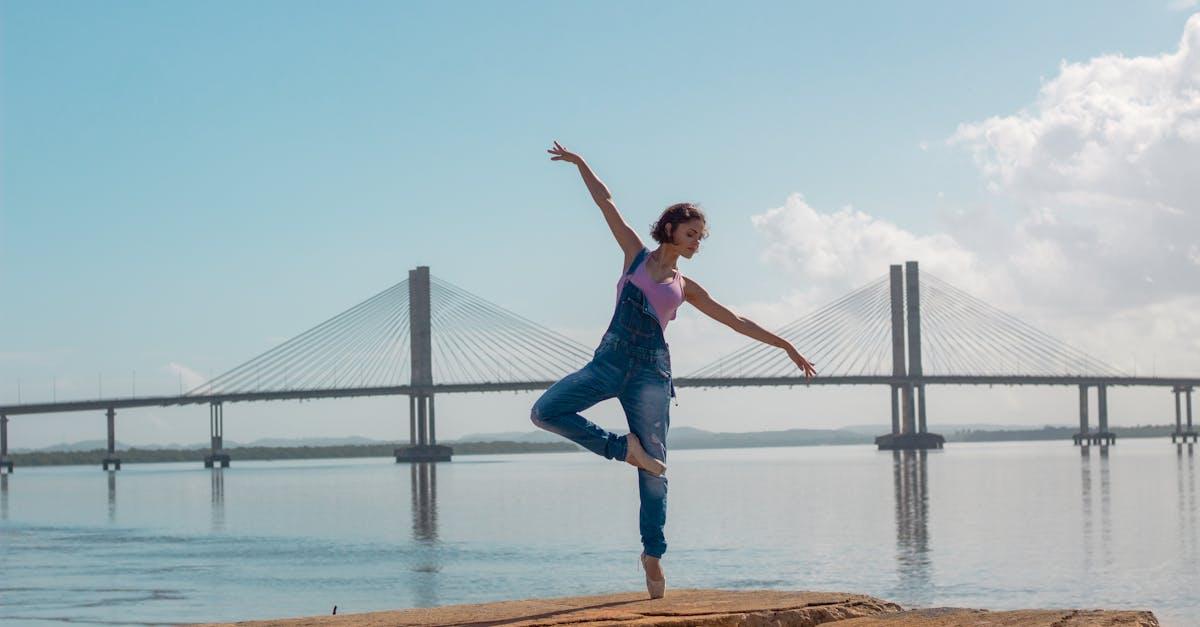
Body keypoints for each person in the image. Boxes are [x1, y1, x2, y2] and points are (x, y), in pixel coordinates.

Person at [530, 140, 817, 599]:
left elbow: (736, 320)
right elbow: (606, 203)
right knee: (545, 411)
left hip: (651, 375)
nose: (698, 241)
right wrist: (582, 163)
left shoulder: (687, 287)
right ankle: (620, 448)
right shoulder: (635, 257)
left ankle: (653, 555)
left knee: (656, 469)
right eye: (692, 233)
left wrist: (785, 345)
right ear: (670, 228)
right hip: (608, 363)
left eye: (702, 236)